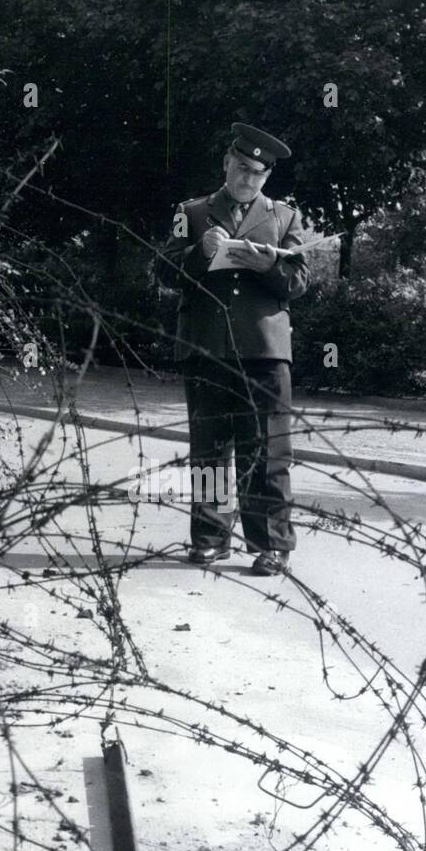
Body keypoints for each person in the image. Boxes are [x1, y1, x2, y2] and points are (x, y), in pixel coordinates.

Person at [156, 123, 309, 574]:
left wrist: (269, 267)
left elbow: (298, 283)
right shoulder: (191, 211)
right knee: (210, 448)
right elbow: (164, 271)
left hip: (265, 350)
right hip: (207, 346)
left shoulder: (285, 218)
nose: (249, 179)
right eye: (243, 168)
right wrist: (199, 253)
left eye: (259, 174)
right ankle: (210, 538)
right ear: (227, 162)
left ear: (267, 178)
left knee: (269, 451)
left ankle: (272, 545)